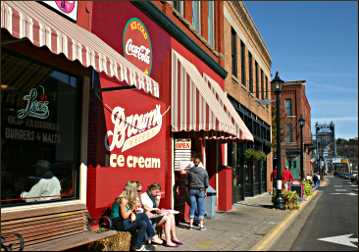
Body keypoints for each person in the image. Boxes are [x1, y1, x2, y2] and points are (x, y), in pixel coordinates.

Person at [111, 182, 162, 251]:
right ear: (132, 190)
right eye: (138, 191)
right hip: (119, 223)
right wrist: (133, 208)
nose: (139, 193)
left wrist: (132, 213)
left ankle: (137, 247)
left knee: (143, 224)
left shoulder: (128, 198)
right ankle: (152, 235)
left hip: (124, 220)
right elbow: (124, 216)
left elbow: (127, 211)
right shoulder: (123, 199)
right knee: (143, 215)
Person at [187, 157, 209, 231]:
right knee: (201, 207)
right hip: (200, 190)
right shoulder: (204, 171)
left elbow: (187, 182)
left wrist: (188, 188)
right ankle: (201, 226)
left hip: (192, 190)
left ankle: (190, 225)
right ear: (199, 163)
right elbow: (206, 183)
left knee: (192, 207)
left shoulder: (190, 171)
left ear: (194, 162)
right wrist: (205, 191)